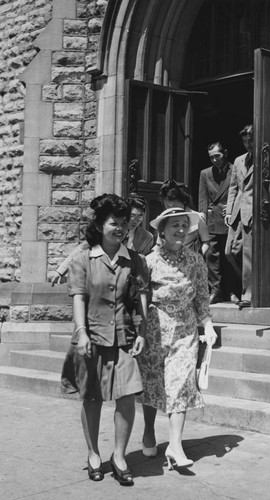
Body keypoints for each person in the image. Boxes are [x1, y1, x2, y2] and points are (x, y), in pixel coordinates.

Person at [61, 194, 149, 486]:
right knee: (93, 398)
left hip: (123, 339)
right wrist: (81, 332)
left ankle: (120, 457)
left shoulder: (134, 261)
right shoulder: (83, 259)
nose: (120, 228)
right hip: (93, 338)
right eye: (114, 222)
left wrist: (143, 333)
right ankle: (93, 454)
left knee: (127, 397)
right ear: (99, 225)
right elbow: (78, 298)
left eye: (124, 223)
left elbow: (139, 301)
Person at [137, 207, 217, 468]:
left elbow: (202, 296)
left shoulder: (195, 261)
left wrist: (208, 325)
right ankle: (149, 430)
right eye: (175, 226)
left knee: (181, 382)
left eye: (185, 225)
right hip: (155, 328)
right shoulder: (148, 262)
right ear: (162, 231)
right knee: (153, 382)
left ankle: (175, 445)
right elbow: (140, 296)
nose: (182, 230)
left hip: (185, 328)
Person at [50, 194, 154, 285]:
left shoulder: (147, 238)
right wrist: (60, 271)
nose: (136, 220)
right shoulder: (109, 232)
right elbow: (81, 249)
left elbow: (143, 265)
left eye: (140, 216)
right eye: (132, 215)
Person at [199, 141, 241, 304]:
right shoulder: (205, 173)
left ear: (225, 153)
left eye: (218, 156)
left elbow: (240, 191)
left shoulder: (235, 169)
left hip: (230, 219)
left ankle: (232, 291)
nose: (215, 160)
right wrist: (202, 222)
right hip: (212, 220)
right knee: (211, 256)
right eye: (211, 157)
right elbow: (203, 199)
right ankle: (215, 291)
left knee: (230, 255)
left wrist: (232, 208)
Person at [225, 124, 254, 309]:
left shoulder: (263, 159)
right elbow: (233, 187)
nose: (247, 145)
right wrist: (228, 211)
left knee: (248, 255)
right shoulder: (238, 161)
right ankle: (248, 285)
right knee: (230, 251)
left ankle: (248, 293)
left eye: (250, 141)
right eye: (244, 141)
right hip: (236, 212)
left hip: (252, 212)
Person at [158, 179, 211, 256]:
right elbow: (159, 243)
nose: (171, 209)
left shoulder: (197, 217)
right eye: (168, 206)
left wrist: (197, 258)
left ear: (184, 202)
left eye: (175, 206)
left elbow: (206, 241)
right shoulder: (163, 217)